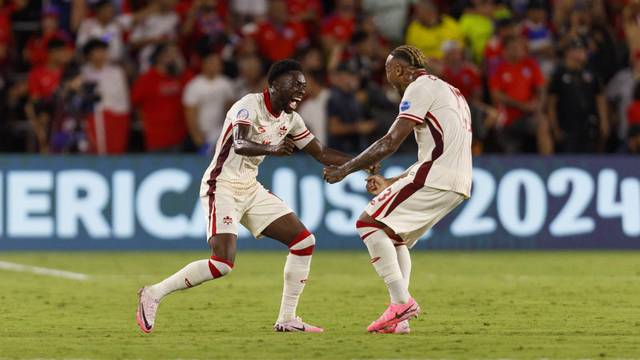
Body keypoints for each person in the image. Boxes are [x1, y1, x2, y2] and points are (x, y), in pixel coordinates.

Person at [136, 59, 374, 333]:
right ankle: (153, 293)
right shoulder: (249, 105)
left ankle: (287, 318)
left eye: (303, 87)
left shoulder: (291, 119)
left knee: (303, 242)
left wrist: (361, 162)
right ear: (273, 85)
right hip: (221, 184)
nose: (300, 91)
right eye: (295, 85)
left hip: (250, 187)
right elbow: (238, 143)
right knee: (223, 263)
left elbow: (320, 152)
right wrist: (273, 149)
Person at [322, 45, 472, 334]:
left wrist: (345, 168)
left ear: (401, 70)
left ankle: (401, 303)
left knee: (368, 224)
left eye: (389, 69)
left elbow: (391, 142)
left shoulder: (418, 88)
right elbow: (435, 153)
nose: (387, 76)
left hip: (436, 177)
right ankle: (399, 320)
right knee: (394, 236)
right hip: (457, 179)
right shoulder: (450, 91)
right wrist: (391, 183)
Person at [489, 35, 549, 153]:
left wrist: (539, 107)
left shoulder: (530, 64)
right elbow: (496, 95)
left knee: (542, 122)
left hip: (528, 116)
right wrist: (523, 105)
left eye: (520, 47)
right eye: (513, 48)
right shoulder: (497, 67)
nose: (518, 51)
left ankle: (548, 162)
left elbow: (541, 89)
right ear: (505, 51)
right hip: (507, 118)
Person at [547, 38, 609, 153]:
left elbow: (600, 98)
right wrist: (555, 128)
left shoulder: (591, 72)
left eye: (583, 50)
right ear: (569, 53)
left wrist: (604, 121)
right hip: (567, 126)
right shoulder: (559, 74)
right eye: (579, 50)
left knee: (590, 155)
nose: (583, 53)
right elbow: (551, 103)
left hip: (589, 124)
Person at [131, 43, 190, 152]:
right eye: (169, 53)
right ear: (159, 56)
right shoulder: (146, 79)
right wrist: (145, 123)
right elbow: (135, 104)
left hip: (180, 137)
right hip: (156, 138)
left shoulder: (183, 76)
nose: (173, 57)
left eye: (176, 54)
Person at [81, 38, 130, 154]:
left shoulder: (117, 72)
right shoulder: (83, 73)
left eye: (103, 50)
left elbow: (121, 97)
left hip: (117, 116)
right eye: (97, 51)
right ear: (89, 55)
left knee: (116, 149)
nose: (102, 54)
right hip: (94, 116)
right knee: (96, 149)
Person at [183, 50, 235, 154]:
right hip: (202, 133)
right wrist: (196, 136)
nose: (214, 66)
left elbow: (231, 109)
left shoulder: (226, 84)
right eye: (211, 63)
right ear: (204, 64)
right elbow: (190, 113)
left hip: (220, 132)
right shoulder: (194, 85)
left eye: (217, 63)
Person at [327, 62, 377, 153]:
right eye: (351, 75)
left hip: (354, 150)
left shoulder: (353, 96)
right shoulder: (335, 97)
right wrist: (358, 128)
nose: (355, 79)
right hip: (339, 152)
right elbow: (333, 129)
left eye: (356, 75)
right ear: (341, 77)